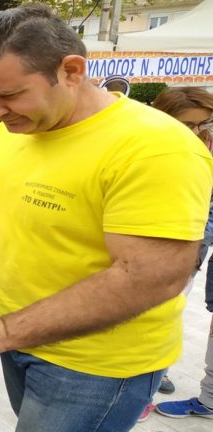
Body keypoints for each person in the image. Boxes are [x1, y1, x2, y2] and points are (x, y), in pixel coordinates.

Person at [0, 4, 213, 431]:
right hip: (20, 338)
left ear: (71, 70)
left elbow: (150, 275)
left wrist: (4, 330)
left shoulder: (155, 147)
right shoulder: (13, 131)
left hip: (93, 365)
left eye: (7, 95)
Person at [150, 86, 213, 421]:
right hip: (145, 243)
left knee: (168, 308)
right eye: (187, 124)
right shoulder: (147, 148)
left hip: (188, 243)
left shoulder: (199, 151)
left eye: (201, 125)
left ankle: (155, 374)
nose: (195, 132)